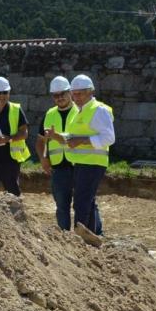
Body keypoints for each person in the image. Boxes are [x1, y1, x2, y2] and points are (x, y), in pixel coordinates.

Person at [46, 74, 114, 245]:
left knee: (81, 202)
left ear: (90, 91)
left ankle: (80, 239)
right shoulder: (80, 111)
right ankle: (91, 238)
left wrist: (83, 141)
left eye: (80, 94)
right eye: (74, 94)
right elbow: (72, 137)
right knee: (87, 201)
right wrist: (57, 136)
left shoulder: (98, 110)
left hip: (93, 163)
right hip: (82, 163)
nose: (76, 97)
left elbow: (109, 138)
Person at [36, 76, 78, 230]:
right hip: (58, 167)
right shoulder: (49, 114)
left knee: (85, 203)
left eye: (63, 93)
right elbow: (40, 141)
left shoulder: (80, 111)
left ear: (70, 93)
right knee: (62, 206)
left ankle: (91, 235)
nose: (59, 98)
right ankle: (64, 237)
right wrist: (43, 158)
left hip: (80, 165)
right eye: (56, 95)